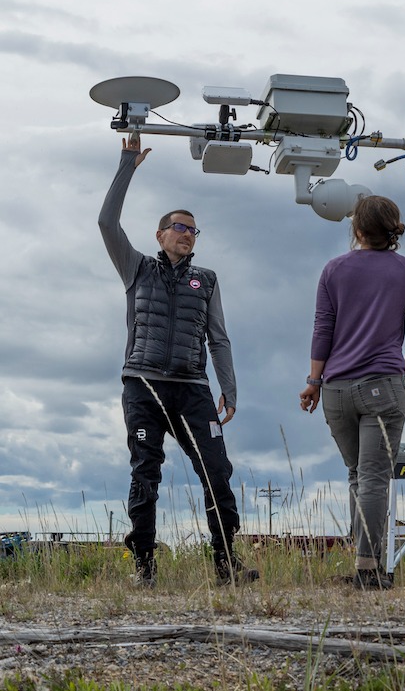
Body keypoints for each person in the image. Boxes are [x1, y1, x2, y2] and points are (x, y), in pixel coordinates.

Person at [98, 137, 258, 587]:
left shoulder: (205, 281)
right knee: (145, 472)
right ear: (161, 234)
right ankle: (145, 567)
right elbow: (106, 221)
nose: (187, 234)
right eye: (179, 227)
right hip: (143, 386)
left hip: (193, 389)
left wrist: (229, 387)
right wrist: (128, 164)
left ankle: (225, 562)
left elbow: (219, 338)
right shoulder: (136, 268)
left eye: (193, 230)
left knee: (217, 472)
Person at [300, 194, 405, 590]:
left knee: (357, 474)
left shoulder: (333, 269)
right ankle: (369, 568)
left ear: (356, 229)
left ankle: (363, 560)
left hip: (336, 389)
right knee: (375, 477)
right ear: (393, 229)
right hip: (382, 386)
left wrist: (313, 382)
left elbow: (323, 330)